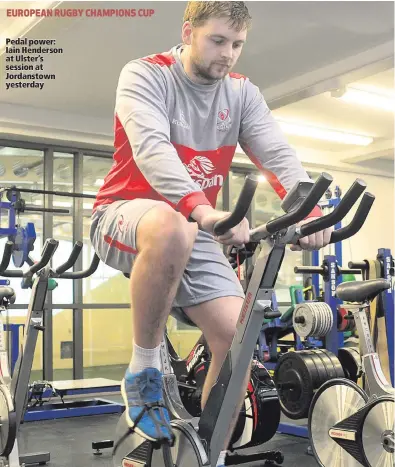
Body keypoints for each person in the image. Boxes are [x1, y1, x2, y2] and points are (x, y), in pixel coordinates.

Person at [90, 2, 333, 466]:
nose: (229, 54)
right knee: (172, 226)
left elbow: (278, 154)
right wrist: (200, 208)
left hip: (194, 225)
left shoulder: (241, 93)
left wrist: (309, 213)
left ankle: (210, 456)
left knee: (237, 338)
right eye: (218, 41)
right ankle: (143, 370)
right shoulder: (145, 74)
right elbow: (152, 148)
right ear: (188, 33)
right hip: (124, 214)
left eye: (237, 44)